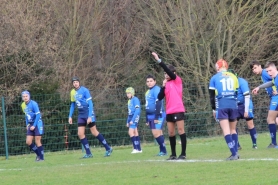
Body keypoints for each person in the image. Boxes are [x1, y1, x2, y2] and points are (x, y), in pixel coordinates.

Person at [151, 52, 187, 160]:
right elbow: (160, 97)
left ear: (173, 73)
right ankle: (173, 154)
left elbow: (167, 70)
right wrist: (163, 86)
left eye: (168, 73)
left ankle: (183, 153)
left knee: (181, 130)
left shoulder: (177, 80)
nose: (166, 75)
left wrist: (159, 60)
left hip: (178, 110)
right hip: (169, 111)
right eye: (165, 74)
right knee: (171, 133)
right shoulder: (166, 84)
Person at [68, 77, 113, 158]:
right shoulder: (72, 92)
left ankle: (108, 148)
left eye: (76, 82)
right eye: (74, 82)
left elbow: (90, 103)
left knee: (94, 132)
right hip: (81, 115)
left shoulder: (85, 90)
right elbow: (72, 104)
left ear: (79, 82)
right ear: (72, 84)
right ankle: (88, 153)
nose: (75, 83)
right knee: (80, 134)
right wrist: (70, 116)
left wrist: (89, 116)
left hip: (88, 113)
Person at [209, 59, 239, 160]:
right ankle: (236, 152)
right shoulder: (234, 76)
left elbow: (212, 96)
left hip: (222, 105)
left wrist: (214, 109)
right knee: (233, 130)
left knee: (226, 131)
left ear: (218, 67)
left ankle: (234, 154)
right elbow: (236, 92)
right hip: (233, 104)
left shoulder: (214, 78)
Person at [250, 61, 278, 148]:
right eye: (252, 69)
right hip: (274, 97)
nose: (269, 73)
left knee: (270, 119)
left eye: (255, 68)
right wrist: (259, 87)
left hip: (275, 98)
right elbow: (272, 82)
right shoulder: (268, 75)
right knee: (275, 120)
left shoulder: (265, 73)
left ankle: (274, 143)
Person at [228, 69, 258, 149]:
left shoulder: (242, 82)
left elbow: (247, 96)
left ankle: (254, 144)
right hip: (236, 105)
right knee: (233, 126)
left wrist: (246, 110)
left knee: (250, 124)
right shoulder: (228, 84)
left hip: (245, 103)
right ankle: (237, 145)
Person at [145, 74, 167, 156]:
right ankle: (162, 150)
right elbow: (147, 106)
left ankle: (163, 151)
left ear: (155, 81)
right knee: (159, 133)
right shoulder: (147, 92)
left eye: (151, 81)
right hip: (150, 115)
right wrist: (146, 118)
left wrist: (157, 116)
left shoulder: (157, 89)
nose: (149, 83)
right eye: (147, 81)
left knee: (156, 133)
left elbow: (158, 103)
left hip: (158, 115)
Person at [21, 91, 45, 162]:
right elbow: (26, 115)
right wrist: (27, 124)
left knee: (37, 140)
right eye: (24, 96)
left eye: (26, 96)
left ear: (29, 96)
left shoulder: (34, 104)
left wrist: (34, 125)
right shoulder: (23, 105)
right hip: (30, 124)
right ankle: (38, 154)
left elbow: (38, 115)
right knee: (28, 142)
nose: (25, 97)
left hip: (37, 123)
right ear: (22, 98)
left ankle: (42, 158)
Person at [125, 87, 142, 153]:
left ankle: (135, 148)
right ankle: (139, 149)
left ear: (132, 93)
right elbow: (129, 112)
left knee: (130, 132)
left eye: (129, 93)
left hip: (135, 117)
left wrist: (132, 120)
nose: (127, 94)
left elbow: (137, 110)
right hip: (131, 117)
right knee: (135, 132)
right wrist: (128, 121)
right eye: (127, 93)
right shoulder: (129, 101)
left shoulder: (135, 99)